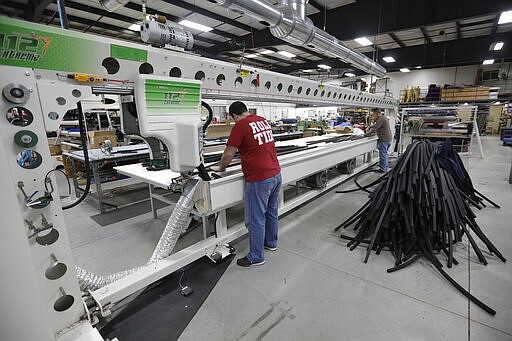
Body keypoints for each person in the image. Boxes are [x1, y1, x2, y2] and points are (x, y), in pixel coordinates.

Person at [210, 101, 282, 267]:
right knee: (271, 212)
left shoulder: (240, 125)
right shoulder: (262, 120)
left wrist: (221, 167)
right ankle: (271, 243)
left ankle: (256, 256)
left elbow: (229, 152)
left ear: (234, 115)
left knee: (255, 219)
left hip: (259, 178)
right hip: (275, 174)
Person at [367, 108, 393, 172]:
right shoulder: (383, 118)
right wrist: (370, 126)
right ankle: (385, 167)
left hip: (384, 140)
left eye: (373, 114)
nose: (373, 116)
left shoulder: (381, 119)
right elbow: (376, 125)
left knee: (383, 155)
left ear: (377, 113)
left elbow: (375, 129)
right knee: (385, 154)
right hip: (388, 139)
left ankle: (383, 169)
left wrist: (365, 135)